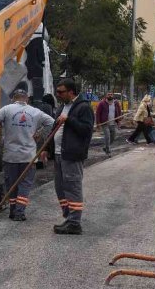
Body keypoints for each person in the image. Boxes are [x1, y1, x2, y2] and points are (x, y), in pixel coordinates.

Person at [0, 89, 55, 221]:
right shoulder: (35, 112)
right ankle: (19, 212)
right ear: (27, 99)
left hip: (10, 156)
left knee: (11, 184)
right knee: (25, 185)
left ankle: (13, 211)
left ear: (13, 98)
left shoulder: (7, 109)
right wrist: (40, 134)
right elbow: (51, 122)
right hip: (28, 157)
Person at [43, 78, 94, 235]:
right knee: (60, 187)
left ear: (71, 92)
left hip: (72, 154)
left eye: (61, 92)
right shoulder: (62, 108)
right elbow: (54, 130)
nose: (57, 95)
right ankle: (68, 216)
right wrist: (47, 148)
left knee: (72, 187)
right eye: (57, 92)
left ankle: (74, 223)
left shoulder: (83, 108)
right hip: (59, 153)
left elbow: (86, 130)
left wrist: (69, 120)